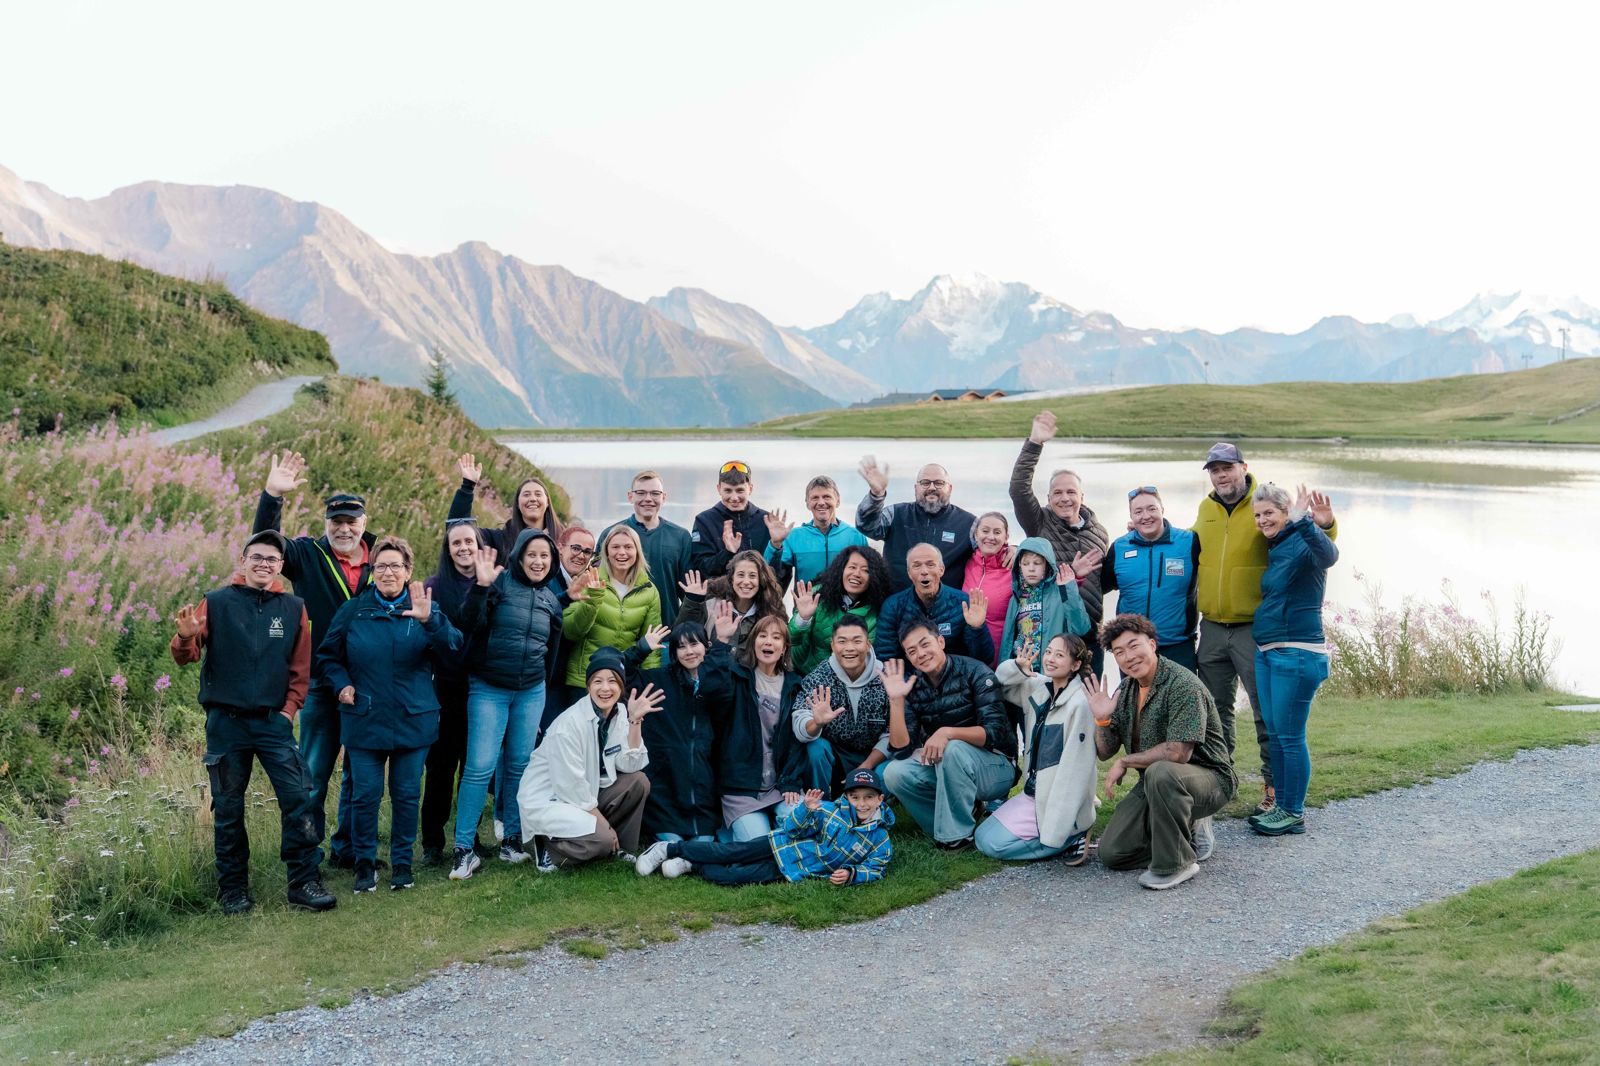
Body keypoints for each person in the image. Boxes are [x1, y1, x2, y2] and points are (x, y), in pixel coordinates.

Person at [169, 530, 336, 914]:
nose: (264, 564)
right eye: (257, 557)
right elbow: (187, 656)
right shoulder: (216, 602)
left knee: (299, 798)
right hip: (226, 725)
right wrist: (184, 638)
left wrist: (288, 712)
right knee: (228, 808)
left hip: (273, 724)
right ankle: (233, 890)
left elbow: (300, 669)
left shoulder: (294, 608)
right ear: (243, 561)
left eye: (272, 560)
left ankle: (304, 882)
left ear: (281, 567)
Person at [1192, 442, 1337, 813]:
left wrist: (1323, 524)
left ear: (1243, 467)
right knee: (1216, 710)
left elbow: (1318, 549)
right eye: (1214, 469)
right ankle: (1220, 781)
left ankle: (1275, 789)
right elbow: (1193, 548)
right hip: (1211, 627)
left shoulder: (1264, 504)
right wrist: (1150, 528)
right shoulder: (1206, 509)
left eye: (1227, 467)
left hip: (1253, 629)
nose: (1221, 475)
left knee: (1266, 714)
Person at [315, 536, 464, 893]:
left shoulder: (424, 607)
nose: (387, 572)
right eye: (380, 566)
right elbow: (327, 657)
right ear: (372, 572)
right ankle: (364, 864)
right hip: (364, 719)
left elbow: (454, 647)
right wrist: (341, 684)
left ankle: (401, 864)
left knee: (407, 794)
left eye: (396, 565)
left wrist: (431, 623)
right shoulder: (354, 610)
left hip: (414, 719)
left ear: (408, 571)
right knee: (364, 795)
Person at [252, 452, 375, 870]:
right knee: (313, 775)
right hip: (322, 684)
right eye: (336, 521)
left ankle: (350, 850)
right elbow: (266, 544)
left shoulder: (382, 559)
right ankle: (308, 855)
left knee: (361, 775)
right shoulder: (306, 555)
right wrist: (273, 496)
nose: (344, 528)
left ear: (363, 522)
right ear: (326, 523)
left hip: (368, 685)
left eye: (351, 521)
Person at [447, 531, 565, 881]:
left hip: (530, 691)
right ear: (519, 555)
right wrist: (481, 587)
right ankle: (463, 850)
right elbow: (468, 622)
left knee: (519, 766)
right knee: (480, 767)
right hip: (489, 688)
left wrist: (540, 686)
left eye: (545, 556)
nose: (538, 561)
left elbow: (552, 653)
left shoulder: (550, 600)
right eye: (532, 554)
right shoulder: (497, 584)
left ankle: (512, 841)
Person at [1089, 613, 1237, 891]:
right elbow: (1105, 751)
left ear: (1153, 645)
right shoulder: (1127, 689)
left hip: (1209, 780)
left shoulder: (1183, 684)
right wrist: (1102, 720)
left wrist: (1127, 760)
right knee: (1113, 853)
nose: (1128, 656)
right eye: (1119, 652)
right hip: (1157, 783)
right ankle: (1183, 837)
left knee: (1162, 771)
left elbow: (1178, 753)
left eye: (1134, 646)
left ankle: (1177, 863)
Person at [517, 648, 663, 870]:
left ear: (621, 686)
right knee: (602, 839)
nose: (605, 688)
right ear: (588, 686)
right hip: (552, 798)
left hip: (586, 791)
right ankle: (548, 845)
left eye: (612, 681)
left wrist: (635, 720)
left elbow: (630, 764)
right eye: (597, 681)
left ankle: (616, 847)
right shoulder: (568, 725)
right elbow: (571, 787)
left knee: (638, 782)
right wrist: (605, 826)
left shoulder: (619, 712)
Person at [1248, 483, 1339, 837]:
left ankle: (1292, 811)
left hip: (1298, 652)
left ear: (1287, 513)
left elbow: (1329, 555)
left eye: (1269, 513)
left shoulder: (1303, 540)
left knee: (1289, 736)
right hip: (1270, 652)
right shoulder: (1280, 546)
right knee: (1276, 733)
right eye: (1258, 515)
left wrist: (1307, 521)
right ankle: (1282, 806)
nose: (1262, 520)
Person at [880, 619, 1018, 849]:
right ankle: (953, 822)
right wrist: (896, 701)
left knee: (952, 748)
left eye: (925, 644)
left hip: (996, 767)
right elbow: (901, 749)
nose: (920, 654)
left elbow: (996, 732)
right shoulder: (913, 685)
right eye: (911, 651)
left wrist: (947, 733)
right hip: (948, 766)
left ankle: (957, 837)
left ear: (941, 641)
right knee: (894, 772)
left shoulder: (976, 671)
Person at [633, 773, 893, 886]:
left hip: (794, 869)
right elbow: (791, 827)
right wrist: (806, 809)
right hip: (779, 844)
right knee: (732, 852)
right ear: (847, 797)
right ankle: (668, 848)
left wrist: (851, 874)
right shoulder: (830, 810)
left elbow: (875, 869)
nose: (862, 803)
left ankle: (692, 864)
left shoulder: (880, 839)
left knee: (732, 878)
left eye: (869, 797)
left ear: (880, 799)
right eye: (855, 797)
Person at [980, 634, 1099, 863]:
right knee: (982, 836)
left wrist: (1056, 831)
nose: (1050, 659)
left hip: (1058, 796)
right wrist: (1018, 667)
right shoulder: (1039, 687)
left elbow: (1074, 771)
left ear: (1075, 665)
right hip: (1033, 792)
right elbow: (999, 684)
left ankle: (1071, 837)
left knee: (993, 845)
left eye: (1060, 655)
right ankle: (1057, 836)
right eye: (1048, 652)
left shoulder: (1080, 704)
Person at [1008, 411, 1109, 664]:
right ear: (1049, 499)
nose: (1065, 498)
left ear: (1082, 497)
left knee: (1089, 699)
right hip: (1051, 632)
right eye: (1058, 493)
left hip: (1088, 634)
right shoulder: (1038, 522)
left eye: (1071, 492)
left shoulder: (1099, 532)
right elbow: (1018, 489)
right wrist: (1035, 442)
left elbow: (1104, 581)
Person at [700, 611, 808, 841]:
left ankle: (741, 834)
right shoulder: (737, 677)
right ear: (753, 643)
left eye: (776, 637)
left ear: (785, 647)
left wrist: (791, 781)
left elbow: (795, 743)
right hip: (741, 788)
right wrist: (720, 642)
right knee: (759, 846)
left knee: (804, 829)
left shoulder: (794, 685)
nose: (768, 641)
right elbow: (710, 690)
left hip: (780, 786)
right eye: (762, 636)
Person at [419, 517, 488, 866]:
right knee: (441, 768)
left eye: (469, 542)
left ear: (479, 547)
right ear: (448, 551)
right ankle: (432, 841)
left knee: (472, 768)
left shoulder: (490, 581)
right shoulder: (435, 586)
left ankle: (470, 836)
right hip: (445, 688)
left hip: (482, 687)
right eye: (456, 544)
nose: (463, 548)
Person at [621, 622, 721, 843]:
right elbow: (618, 671)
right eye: (681, 647)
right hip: (666, 791)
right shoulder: (660, 680)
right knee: (673, 842)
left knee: (701, 846)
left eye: (694, 644)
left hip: (703, 794)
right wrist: (641, 648)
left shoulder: (718, 684)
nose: (689, 651)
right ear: (674, 652)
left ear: (707, 646)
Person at [560, 523, 662, 716]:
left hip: (620, 681)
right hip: (583, 679)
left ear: (637, 552)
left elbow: (652, 645)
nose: (621, 552)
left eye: (628, 547)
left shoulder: (649, 591)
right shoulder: (588, 579)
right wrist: (593, 600)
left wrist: (649, 686)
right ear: (606, 552)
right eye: (615, 547)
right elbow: (571, 631)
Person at [1100, 486, 1201, 672]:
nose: (1145, 516)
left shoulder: (1189, 542)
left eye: (1151, 508)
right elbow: (1101, 586)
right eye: (1138, 511)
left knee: (1180, 700)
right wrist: (1079, 576)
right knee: (1136, 702)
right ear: (1131, 516)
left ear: (1162, 509)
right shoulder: (1120, 547)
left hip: (1177, 645)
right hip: (1133, 648)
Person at [793, 615, 891, 794]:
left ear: (868, 644)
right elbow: (799, 722)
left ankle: (873, 812)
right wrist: (817, 723)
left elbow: (891, 733)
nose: (849, 648)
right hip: (835, 754)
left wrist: (867, 765)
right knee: (815, 749)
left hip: (874, 755)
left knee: (889, 770)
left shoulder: (885, 677)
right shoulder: (819, 677)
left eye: (857, 641)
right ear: (832, 645)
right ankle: (820, 806)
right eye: (842, 641)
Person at [855, 457, 976, 592]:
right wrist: (876, 495)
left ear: (950, 488)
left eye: (939, 483)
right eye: (925, 483)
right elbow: (866, 526)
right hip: (896, 604)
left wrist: (1005, 553)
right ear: (915, 488)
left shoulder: (969, 524)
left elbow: (991, 551)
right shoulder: (895, 514)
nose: (931, 487)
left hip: (947, 607)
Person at [874, 544, 994, 664]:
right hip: (912, 679)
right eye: (916, 566)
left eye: (930, 565)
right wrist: (914, 681)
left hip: (956, 676)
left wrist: (977, 628)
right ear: (909, 573)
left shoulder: (962, 603)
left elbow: (983, 659)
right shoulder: (892, 606)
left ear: (941, 569)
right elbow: (887, 658)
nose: (924, 571)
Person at [604, 470, 694, 625]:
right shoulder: (611, 536)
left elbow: (687, 592)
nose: (648, 499)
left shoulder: (680, 536)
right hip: (623, 632)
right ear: (630, 496)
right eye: (641, 493)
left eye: (655, 493)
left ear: (663, 497)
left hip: (667, 632)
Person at [788, 544, 890, 675]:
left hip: (849, 679)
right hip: (805, 672)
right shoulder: (818, 595)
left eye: (866, 570)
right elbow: (790, 640)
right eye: (852, 567)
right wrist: (803, 619)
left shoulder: (878, 609)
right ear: (841, 569)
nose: (857, 574)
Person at [447, 452, 563, 564]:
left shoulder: (563, 540)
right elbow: (457, 528)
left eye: (538, 494)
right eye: (526, 494)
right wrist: (468, 486)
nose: (532, 499)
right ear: (517, 504)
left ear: (547, 502)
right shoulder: (500, 540)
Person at [998, 536, 1091, 670]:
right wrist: (1003, 672)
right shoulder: (1016, 597)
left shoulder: (1061, 592)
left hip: (1049, 672)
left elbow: (1081, 628)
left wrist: (1068, 589)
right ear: (1019, 566)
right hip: (1020, 671)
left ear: (1047, 564)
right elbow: (1007, 639)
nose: (1031, 568)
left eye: (1037, 563)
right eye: (1025, 563)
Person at [763, 475, 868, 590]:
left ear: (837, 501)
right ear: (807, 503)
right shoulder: (794, 537)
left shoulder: (856, 537)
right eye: (815, 498)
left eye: (827, 497)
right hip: (806, 606)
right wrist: (775, 545)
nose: (821, 502)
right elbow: (771, 577)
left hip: (846, 607)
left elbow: (868, 578)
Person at [678, 550, 785, 656]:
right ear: (732, 578)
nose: (746, 582)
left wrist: (801, 620)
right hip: (711, 670)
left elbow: (785, 644)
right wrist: (693, 601)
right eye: (741, 575)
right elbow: (681, 636)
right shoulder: (711, 604)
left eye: (752, 576)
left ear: (761, 580)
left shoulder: (770, 610)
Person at [690, 460, 770, 577]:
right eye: (728, 490)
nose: (734, 497)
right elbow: (701, 568)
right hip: (720, 593)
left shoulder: (766, 520)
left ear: (750, 489)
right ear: (719, 489)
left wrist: (777, 545)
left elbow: (779, 572)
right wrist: (728, 553)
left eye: (740, 490)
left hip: (760, 593)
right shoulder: (704, 521)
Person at [961, 511, 1015, 666]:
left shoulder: (1015, 567)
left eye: (997, 532)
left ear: (1006, 537)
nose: (990, 537)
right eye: (985, 531)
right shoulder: (967, 562)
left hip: (1001, 656)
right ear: (976, 535)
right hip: (967, 653)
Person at [555, 524, 596, 592]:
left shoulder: (586, 584)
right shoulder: (546, 580)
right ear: (560, 548)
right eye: (576, 548)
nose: (581, 556)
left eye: (587, 552)